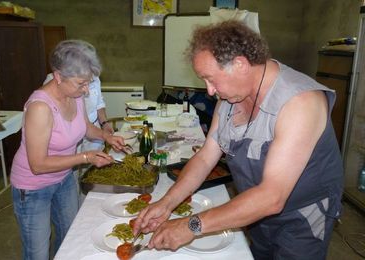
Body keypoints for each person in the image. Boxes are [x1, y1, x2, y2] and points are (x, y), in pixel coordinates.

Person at [134, 20, 343, 259]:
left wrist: (191, 225)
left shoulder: (300, 102)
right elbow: (205, 158)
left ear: (240, 64)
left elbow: (272, 197)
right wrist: (167, 203)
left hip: (302, 218)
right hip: (254, 209)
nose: (209, 91)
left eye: (211, 79)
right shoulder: (230, 98)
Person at [10, 39, 126, 260]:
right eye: (80, 83)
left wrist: (106, 136)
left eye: (87, 84)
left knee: (70, 238)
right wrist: (84, 157)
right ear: (58, 76)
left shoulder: (75, 96)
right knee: (38, 253)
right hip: (33, 189)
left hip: (63, 180)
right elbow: (38, 165)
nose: (85, 90)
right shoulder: (40, 107)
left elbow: (85, 128)